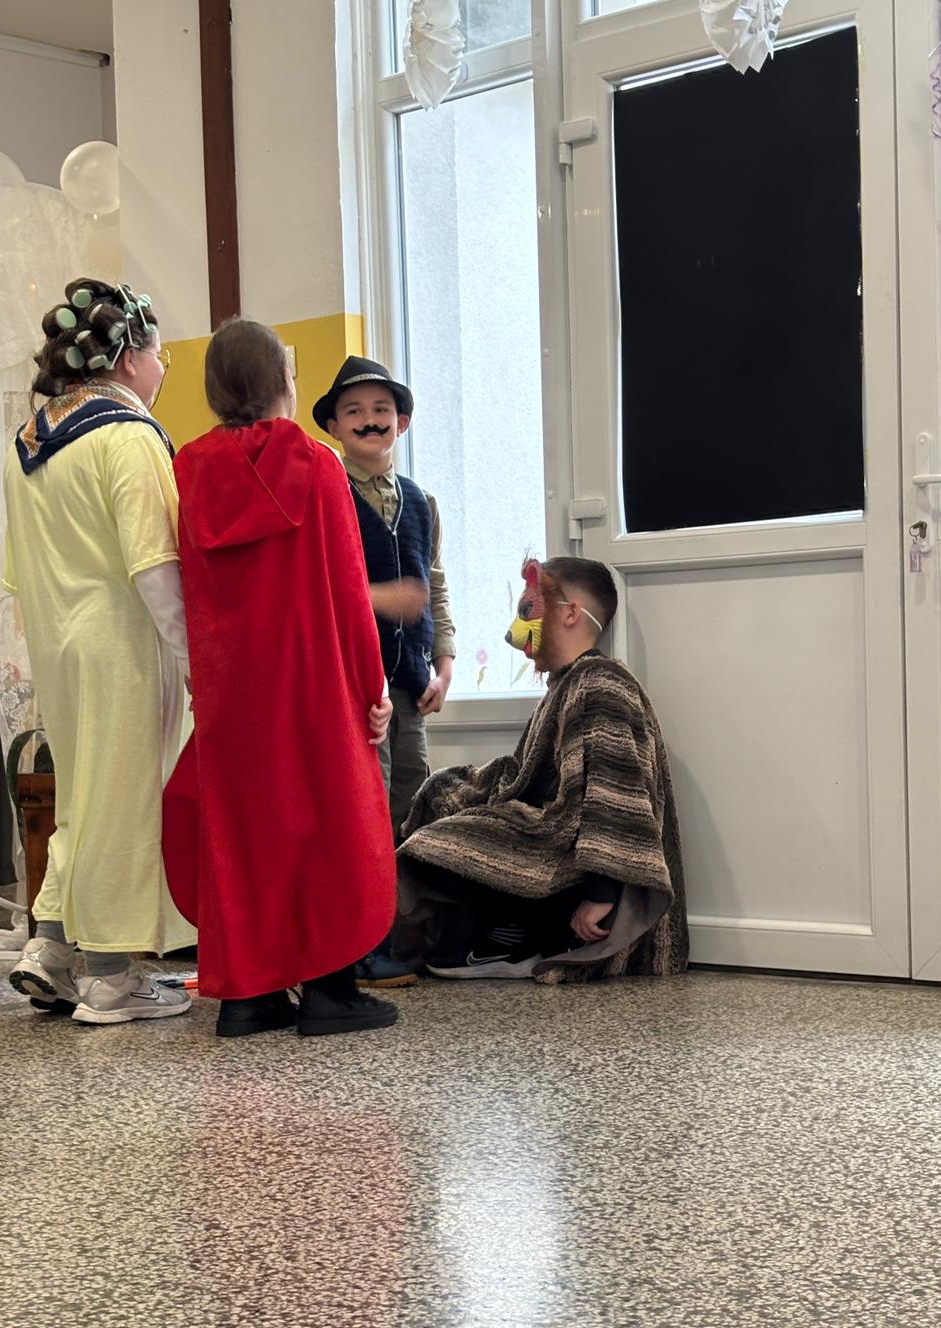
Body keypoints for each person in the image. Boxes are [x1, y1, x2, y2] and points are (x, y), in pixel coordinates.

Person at [161, 319, 400, 1038]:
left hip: (232, 688)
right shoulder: (317, 464)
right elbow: (347, 590)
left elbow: (190, 583)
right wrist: (373, 688)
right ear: (283, 383)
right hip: (314, 679)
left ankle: (248, 996)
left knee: (244, 835)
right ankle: (331, 990)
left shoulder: (188, 469)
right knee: (331, 825)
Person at [3, 278, 193, 1025]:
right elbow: (155, 569)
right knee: (122, 800)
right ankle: (111, 978)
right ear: (127, 356)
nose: (164, 366)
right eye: (159, 352)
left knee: (82, 794)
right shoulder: (130, 437)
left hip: (58, 640)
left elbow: (18, 573)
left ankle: (49, 947)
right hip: (124, 643)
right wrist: (196, 661)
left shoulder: (26, 445)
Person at [392, 556, 689, 982]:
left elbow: (615, 796)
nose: (516, 629)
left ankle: (518, 938)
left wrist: (601, 893)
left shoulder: (601, 684)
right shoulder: (565, 684)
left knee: (428, 854)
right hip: (555, 841)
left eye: (528, 609)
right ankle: (501, 931)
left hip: (580, 868)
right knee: (437, 801)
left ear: (570, 613)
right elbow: (527, 777)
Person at [313, 357, 456, 988]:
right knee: (361, 807)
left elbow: (435, 586)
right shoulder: (328, 496)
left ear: (401, 422)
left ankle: (395, 932)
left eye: (380, 410)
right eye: (353, 411)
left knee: (406, 802)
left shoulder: (422, 502)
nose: (369, 421)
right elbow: (316, 585)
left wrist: (443, 664)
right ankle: (357, 943)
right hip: (352, 683)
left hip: (410, 682)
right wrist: (378, 599)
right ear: (333, 427)